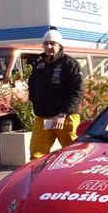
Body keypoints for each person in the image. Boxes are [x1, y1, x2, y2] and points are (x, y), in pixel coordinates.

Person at [28, 27, 83, 160]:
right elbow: (32, 86)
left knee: (72, 155)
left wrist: (63, 114)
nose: (48, 46)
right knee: (36, 156)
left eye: (52, 43)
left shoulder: (70, 64)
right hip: (43, 118)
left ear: (59, 45)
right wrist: (35, 102)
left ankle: (73, 180)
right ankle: (39, 180)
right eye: (46, 43)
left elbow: (77, 92)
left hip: (65, 118)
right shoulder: (39, 64)